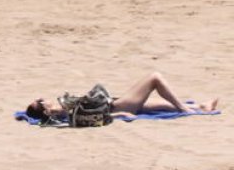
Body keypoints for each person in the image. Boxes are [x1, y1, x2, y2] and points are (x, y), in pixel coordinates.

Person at [26, 72, 219, 123]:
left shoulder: (61, 110)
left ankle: (201, 107)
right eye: (41, 101)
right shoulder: (63, 112)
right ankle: (184, 108)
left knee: (158, 105)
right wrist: (119, 116)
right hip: (117, 107)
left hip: (115, 103)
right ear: (46, 110)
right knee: (154, 78)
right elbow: (86, 119)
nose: (44, 98)